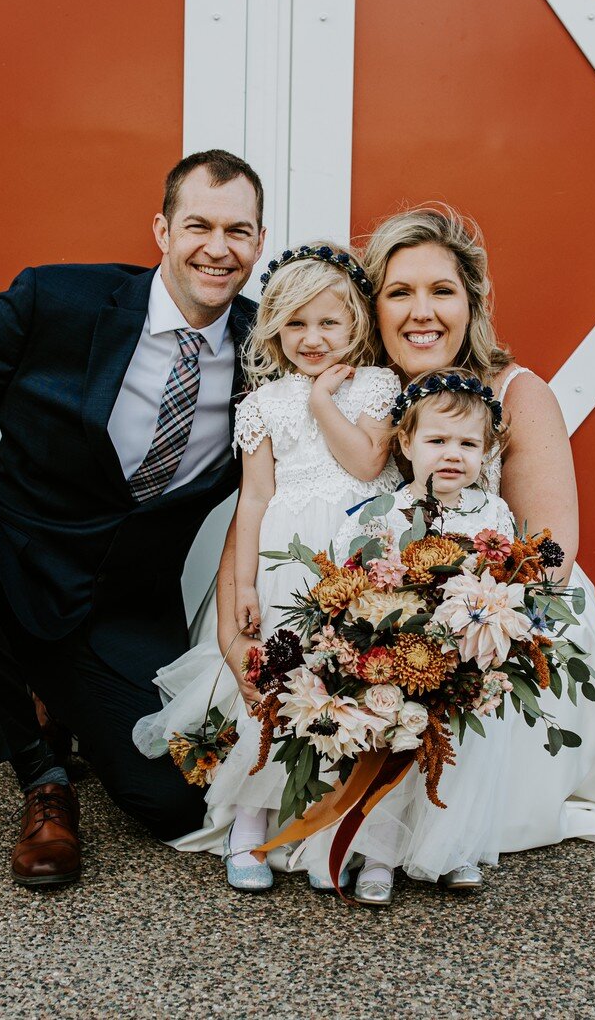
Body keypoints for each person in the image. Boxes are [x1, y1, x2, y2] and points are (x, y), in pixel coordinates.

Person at [213, 203, 595, 885]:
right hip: (350, 612)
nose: (422, 312)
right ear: (372, 308)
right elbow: (270, 512)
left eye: (441, 291)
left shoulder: (515, 393)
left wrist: (451, 645)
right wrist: (230, 627)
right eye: (400, 292)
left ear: (471, 303)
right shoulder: (348, 396)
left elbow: (548, 559)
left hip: (490, 622)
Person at [0, 149, 265, 889]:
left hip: (122, 601)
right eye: (199, 225)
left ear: (259, 243)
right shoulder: (59, 301)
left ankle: (61, 691)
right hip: (5, 553)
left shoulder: (267, 349)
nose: (218, 248)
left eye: (238, 231)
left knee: (176, 804)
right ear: (162, 229)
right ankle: (41, 773)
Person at [132, 243, 402, 891]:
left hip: (361, 559)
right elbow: (254, 497)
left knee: (355, 692)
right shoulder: (262, 404)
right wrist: (245, 582)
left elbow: (367, 465)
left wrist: (321, 403)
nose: (312, 338)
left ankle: (345, 831)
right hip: (287, 561)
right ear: (275, 327)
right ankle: (249, 825)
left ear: (356, 326)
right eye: (296, 323)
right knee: (277, 688)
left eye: (328, 323)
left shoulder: (375, 386)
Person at [306, 368, 518, 904]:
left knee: (457, 759)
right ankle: (378, 856)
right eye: (437, 440)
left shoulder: (492, 515)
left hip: (461, 661)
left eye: (469, 444)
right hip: (394, 658)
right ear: (406, 441)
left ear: (486, 451)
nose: (453, 454)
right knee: (391, 753)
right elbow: (352, 580)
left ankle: (450, 851)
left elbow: (505, 584)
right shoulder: (385, 513)